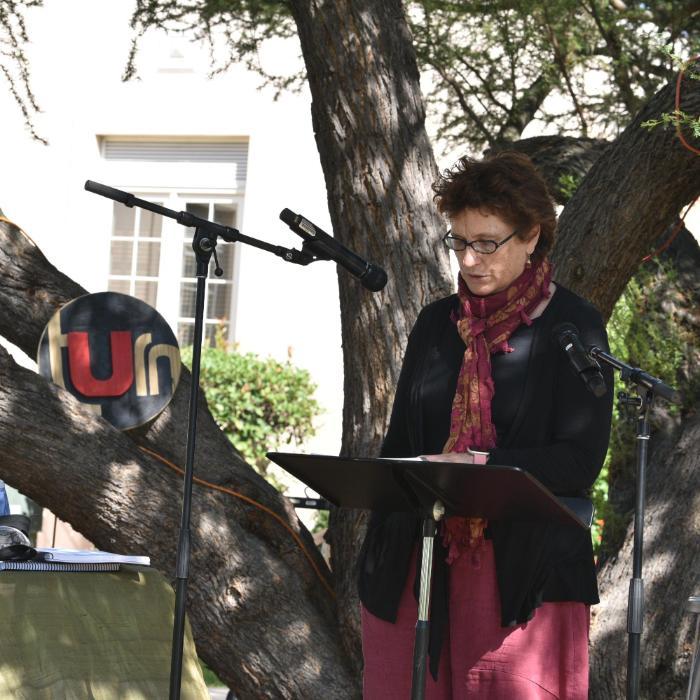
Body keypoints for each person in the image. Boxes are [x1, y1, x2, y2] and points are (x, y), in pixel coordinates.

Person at [358, 151, 614, 699]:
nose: (470, 259)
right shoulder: (434, 324)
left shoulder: (573, 325)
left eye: (487, 242)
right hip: (417, 559)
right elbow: (400, 443)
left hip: (522, 570)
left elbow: (578, 462)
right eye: (459, 241)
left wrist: (477, 466)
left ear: (532, 237)